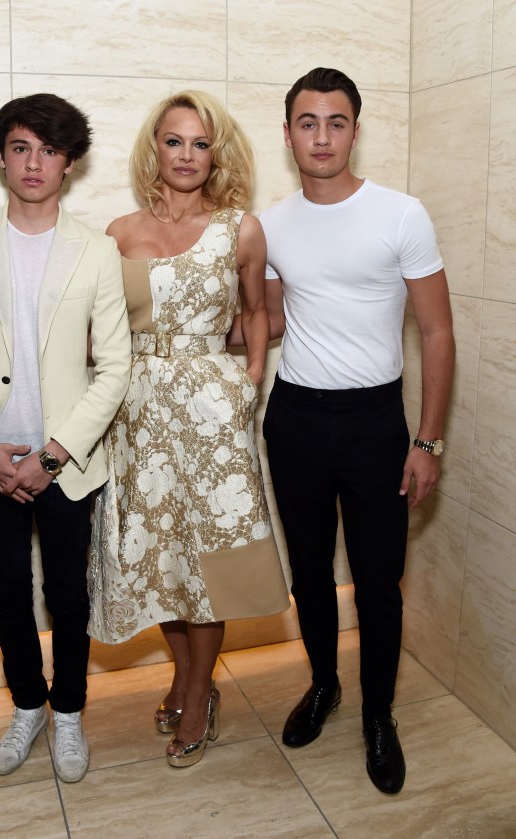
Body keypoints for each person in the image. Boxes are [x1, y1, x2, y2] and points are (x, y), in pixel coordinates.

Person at [260, 68, 455, 794]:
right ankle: (323, 686)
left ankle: (380, 715)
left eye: (335, 122)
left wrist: (428, 440)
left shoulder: (401, 213)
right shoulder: (272, 224)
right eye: (307, 122)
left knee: (378, 582)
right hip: (296, 419)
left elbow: (436, 331)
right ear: (288, 134)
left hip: (376, 422)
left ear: (355, 129)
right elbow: (272, 321)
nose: (321, 136)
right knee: (308, 572)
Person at [0, 93, 131, 783]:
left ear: (69, 162)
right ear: (1, 157)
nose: (34, 162)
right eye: (21, 147)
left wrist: (52, 454)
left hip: (65, 465)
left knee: (67, 593)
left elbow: (116, 365)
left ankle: (69, 711)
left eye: (49, 149)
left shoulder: (97, 250)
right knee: (8, 589)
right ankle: (29, 704)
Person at [87, 90, 289, 768]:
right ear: (156, 148)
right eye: (175, 141)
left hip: (212, 416)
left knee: (213, 563)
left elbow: (258, 311)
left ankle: (199, 689)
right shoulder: (117, 232)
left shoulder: (241, 229)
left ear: (217, 154)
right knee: (165, 559)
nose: (187, 156)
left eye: (201, 144)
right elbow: (101, 329)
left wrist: (247, 382)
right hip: (137, 414)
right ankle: (183, 672)